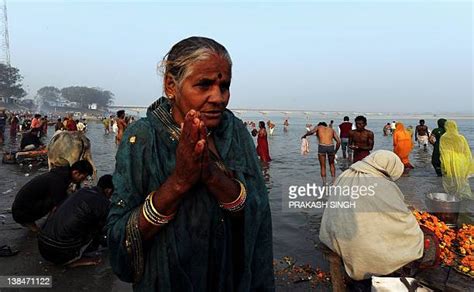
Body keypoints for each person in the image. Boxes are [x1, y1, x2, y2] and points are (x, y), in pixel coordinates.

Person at [107, 36, 274, 291]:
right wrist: (179, 182)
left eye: (224, 86)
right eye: (204, 85)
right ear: (171, 86)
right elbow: (120, 237)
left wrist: (211, 175)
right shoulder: (141, 138)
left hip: (229, 279)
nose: (218, 97)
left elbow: (257, 212)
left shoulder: (236, 132)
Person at [319, 150, 425, 282]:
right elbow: (401, 219)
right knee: (413, 236)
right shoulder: (382, 184)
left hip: (333, 238)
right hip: (360, 249)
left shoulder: (345, 174)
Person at [38, 175, 114, 267]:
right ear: (108, 191)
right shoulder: (103, 203)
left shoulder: (82, 191)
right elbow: (105, 230)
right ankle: (72, 260)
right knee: (98, 230)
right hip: (59, 252)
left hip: (42, 243)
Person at [11, 160, 93, 232]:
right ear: (75, 172)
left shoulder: (61, 174)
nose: (82, 181)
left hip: (21, 208)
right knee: (61, 202)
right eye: (83, 178)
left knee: (63, 198)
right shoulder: (59, 180)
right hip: (20, 212)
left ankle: (31, 221)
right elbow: (60, 205)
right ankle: (37, 223)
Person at [440, 120, 474, 199]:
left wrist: (443, 163)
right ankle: (463, 197)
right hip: (461, 161)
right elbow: (466, 151)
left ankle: (452, 197)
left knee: (450, 180)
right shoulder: (461, 137)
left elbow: (442, 151)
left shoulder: (443, 137)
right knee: (462, 179)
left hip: (448, 161)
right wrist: (468, 162)